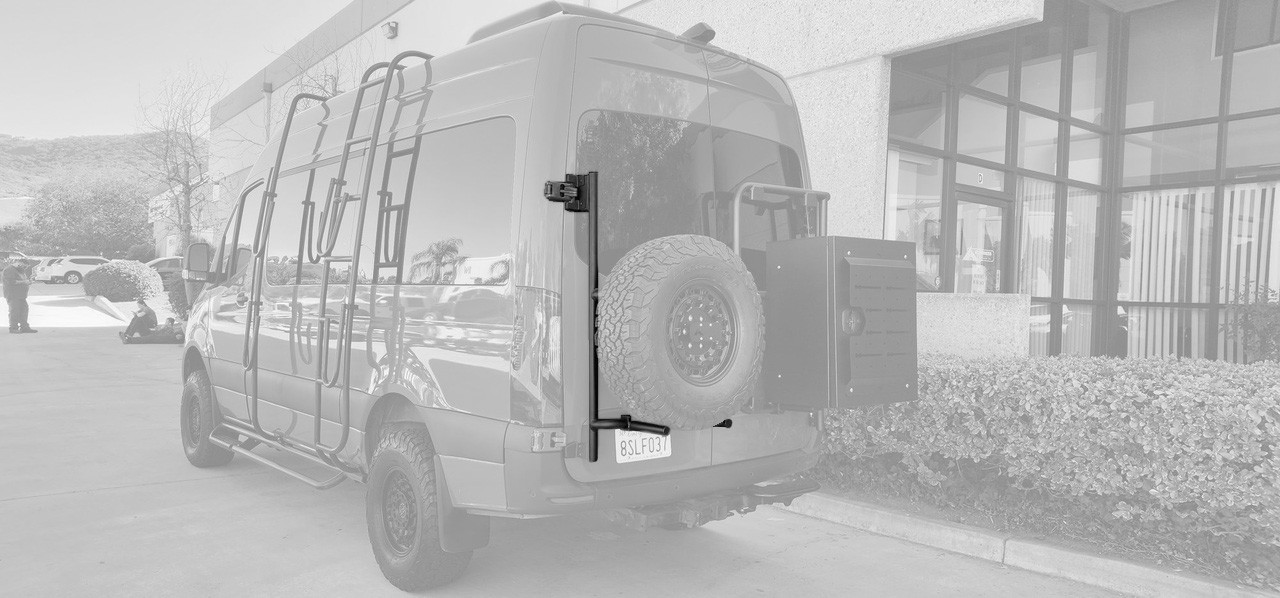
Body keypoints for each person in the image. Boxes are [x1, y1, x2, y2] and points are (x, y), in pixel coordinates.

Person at [2, 256, 36, 333]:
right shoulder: (9, 270)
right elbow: (11, 282)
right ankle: (13, 328)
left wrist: (28, 281)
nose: (25, 268)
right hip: (13, 294)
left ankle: (24, 327)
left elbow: (22, 280)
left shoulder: (20, 270)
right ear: (19, 263)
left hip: (21, 295)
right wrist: (24, 282)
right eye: (24, 266)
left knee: (24, 310)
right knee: (14, 311)